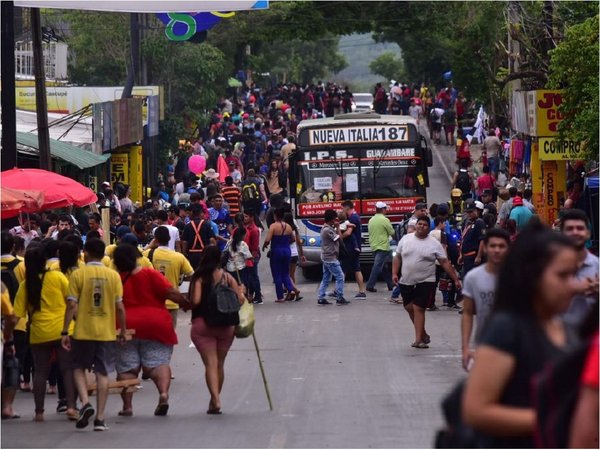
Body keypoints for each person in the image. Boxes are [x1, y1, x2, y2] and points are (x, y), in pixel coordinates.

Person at [462, 223, 579, 447]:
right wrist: (557, 421)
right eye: (562, 276)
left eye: (573, 274)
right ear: (533, 276)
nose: (572, 285)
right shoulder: (507, 329)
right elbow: (476, 410)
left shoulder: (568, 329)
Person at [113, 244, 187, 417]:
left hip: (125, 326)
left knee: (127, 367)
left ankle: (127, 406)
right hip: (156, 323)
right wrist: (185, 303)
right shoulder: (150, 274)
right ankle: (163, 393)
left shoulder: (115, 278)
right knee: (158, 363)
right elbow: (170, 292)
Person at [61, 238, 127, 432]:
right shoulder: (113, 276)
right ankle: (100, 418)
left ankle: (84, 401)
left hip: (83, 330)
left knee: (78, 367)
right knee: (103, 373)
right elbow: (120, 307)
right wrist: (122, 330)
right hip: (106, 332)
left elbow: (72, 305)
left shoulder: (78, 274)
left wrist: (65, 331)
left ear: (86, 253)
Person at [13, 245, 77, 422]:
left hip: (39, 333)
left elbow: (16, 315)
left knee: (40, 372)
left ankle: (39, 412)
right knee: (67, 369)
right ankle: (71, 406)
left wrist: (8, 333)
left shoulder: (26, 285)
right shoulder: (58, 277)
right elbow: (72, 302)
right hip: (63, 331)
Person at [189, 245, 245, 415]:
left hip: (203, 325)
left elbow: (196, 301)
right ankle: (215, 400)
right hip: (226, 326)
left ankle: (216, 400)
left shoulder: (199, 277)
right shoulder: (228, 277)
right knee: (220, 364)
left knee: (210, 364)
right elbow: (240, 300)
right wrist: (242, 292)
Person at [392, 216, 461, 348]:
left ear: (428, 228)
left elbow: (444, 262)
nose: (421, 226)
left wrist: (455, 278)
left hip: (426, 280)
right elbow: (398, 257)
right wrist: (394, 273)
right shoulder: (406, 239)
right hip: (406, 279)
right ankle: (423, 333)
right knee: (408, 307)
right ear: (416, 225)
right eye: (419, 224)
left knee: (418, 308)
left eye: (424, 225)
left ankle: (419, 340)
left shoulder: (434, 243)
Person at [460, 228, 510, 371]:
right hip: (485, 344)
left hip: (514, 346)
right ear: (486, 249)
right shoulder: (473, 278)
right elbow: (468, 313)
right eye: (493, 246)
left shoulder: (517, 276)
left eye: (501, 246)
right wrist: (465, 348)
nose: (497, 250)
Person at [144, 226, 194, 329]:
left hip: (153, 303)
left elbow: (135, 256)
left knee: (155, 337)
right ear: (169, 239)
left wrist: (149, 246)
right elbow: (191, 275)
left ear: (155, 239)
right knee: (169, 337)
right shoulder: (179, 257)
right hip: (172, 303)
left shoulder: (148, 254)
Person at [560, 209, 599, 328]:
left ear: (588, 233)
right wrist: (576, 288)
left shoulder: (597, 264)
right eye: (570, 229)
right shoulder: (550, 266)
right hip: (559, 334)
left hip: (591, 335)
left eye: (580, 228)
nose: (575, 232)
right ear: (562, 233)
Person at [262, 207, 299, 303]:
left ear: (275, 216)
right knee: (285, 273)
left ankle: (280, 297)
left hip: (276, 251)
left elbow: (267, 239)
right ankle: (291, 290)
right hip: (287, 251)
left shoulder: (273, 226)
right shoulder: (288, 226)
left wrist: (264, 246)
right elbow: (293, 239)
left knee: (277, 274)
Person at [317, 209, 349, 305]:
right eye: (335, 218)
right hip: (330, 258)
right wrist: (338, 227)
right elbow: (340, 239)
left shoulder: (328, 228)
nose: (336, 220)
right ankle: (339, 297)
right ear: (331, 219)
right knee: (340, 276)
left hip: (327, 257)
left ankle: (321, 297)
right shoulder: (327, 230)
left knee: (326, 278)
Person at [365, 202, 395, 293]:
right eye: (386, 209)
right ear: (382, 209)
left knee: (382, 267)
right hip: (383, 247)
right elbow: (392, 232)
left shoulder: (371, 220)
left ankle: (391, 284)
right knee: (377, 267)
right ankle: (370, 285)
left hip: (374, 246)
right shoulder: (385, 220)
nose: (386, 210)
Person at [341, 201, 366, 299]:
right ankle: (362, 291)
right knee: (356, 268)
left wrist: (339, 237)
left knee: (342, 269)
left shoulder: (352, 218)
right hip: (354, 248)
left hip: (350, 248)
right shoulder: (355, 217)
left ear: (347, 208)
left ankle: (338, 290)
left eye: (343, 208)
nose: (342, 210)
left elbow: (348, 233)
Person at [181, 203, 216, 269]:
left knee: (194, 273)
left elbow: (184, 242)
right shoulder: (207, 225)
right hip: (205, 253)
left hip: (192, 254)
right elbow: (212, 240)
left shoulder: (188, 226)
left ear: (192, 213)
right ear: (200, 213)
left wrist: (184, 253)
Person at [460, 199, 485, 278]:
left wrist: (479, 256)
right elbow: (464, 239)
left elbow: (482, 240)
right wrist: (461, 254)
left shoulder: (479, 222)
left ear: (476, 211)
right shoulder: (467, 223)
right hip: (466, 257)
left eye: (471, 212)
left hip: (473, 256)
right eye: (468, 212)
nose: (469, 214)